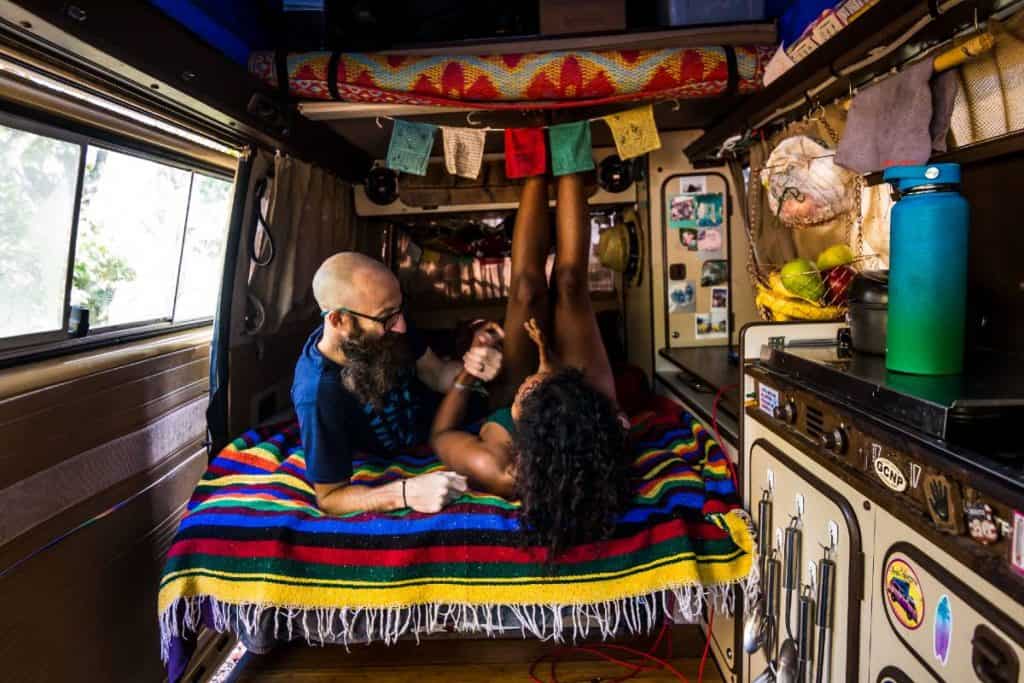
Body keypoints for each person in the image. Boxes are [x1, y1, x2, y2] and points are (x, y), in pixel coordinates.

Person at [430, 172, 632, 560]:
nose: (532, 377)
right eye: (537, 382)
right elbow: (611, 424)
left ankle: (533, 161)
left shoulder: (500, 467)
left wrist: (470, 370)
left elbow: (441, 435)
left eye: (531, 389)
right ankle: (571, 149)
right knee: (571, 282)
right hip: (582, 396)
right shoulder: (601, 434)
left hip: (552, 401)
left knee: (525, 288)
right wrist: (556, 375)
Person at [292, 252, 503, 515]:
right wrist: (404, 493)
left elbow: (436, 374)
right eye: (387, 317)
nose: (401, 327)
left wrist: (475, 365)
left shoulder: (388, 323)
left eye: (398, 311)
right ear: (339, 320)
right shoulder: (318, 393)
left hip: (441, 425)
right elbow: (331, 497)